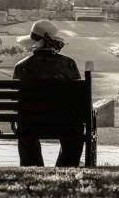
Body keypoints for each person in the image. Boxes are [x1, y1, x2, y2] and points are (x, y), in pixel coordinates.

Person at [13, 20, 84, 167]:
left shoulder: (22, 66)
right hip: (65, 124)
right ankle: (66, 169)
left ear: (33, 41)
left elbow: (17, 100)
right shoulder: (68, 64)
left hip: (30, 125)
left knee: (26, 135)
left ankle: (33, 168)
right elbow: (78, 97)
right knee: (74, 137)